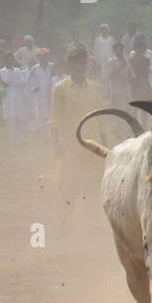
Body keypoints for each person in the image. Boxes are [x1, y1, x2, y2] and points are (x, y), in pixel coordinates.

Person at [48, 45, 107, 218]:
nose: (79, 67)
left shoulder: (95, 88)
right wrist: (56, 144)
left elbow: (101, 117)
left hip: (93, 145)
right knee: (69, 186)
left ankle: (91, 222)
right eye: (75, 63)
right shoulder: (60, 89)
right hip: (71, 145)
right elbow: (54, 119)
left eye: (82, 63)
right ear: (70, 65)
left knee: (94, 185)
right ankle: (66, 223)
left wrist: (104, 144)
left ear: (86, 64)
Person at [0, 53, 33, 144]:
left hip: (19, 96)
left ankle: (21, 139)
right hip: (8, 97)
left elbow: (23, 82)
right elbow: (5, 82)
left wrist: (12, 83)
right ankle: (12, 140)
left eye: (11, 59)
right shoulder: (2, 70)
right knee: (11, 118)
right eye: (7, 59)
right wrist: (15, 82)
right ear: (4, 60)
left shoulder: (17, 70)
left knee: (21, 117)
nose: (9, 61)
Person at [30, 49, 55, 128]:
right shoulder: (34, 68)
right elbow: (29, 80)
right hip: (39, 95)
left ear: (48, 57)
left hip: (51, 93)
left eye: (45, 56)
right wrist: (33, 88)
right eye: (40, 56)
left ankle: (52, 137)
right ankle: (44, 137)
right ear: (38, 58)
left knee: (52, 114)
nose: (43, 58)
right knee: (41, 116)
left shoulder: (52, 66)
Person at [106, 42, 132, 110]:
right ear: (114, 51)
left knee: (126, 113)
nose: (119, 51)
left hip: (126, 92)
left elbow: (130, 75)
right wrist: (120, 67)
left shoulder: (127, 61)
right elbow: (110, 76)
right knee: (116, 114)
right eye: (117, 49)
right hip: (115, 92)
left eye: (121, 49)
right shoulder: (111, 62)